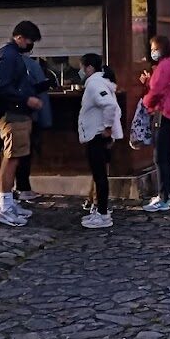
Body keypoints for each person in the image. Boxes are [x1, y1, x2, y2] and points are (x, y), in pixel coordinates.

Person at [0, 20, 42, 227]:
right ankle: (4, 206)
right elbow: (2, 87)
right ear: (19, 37)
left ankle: (9, 202)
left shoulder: (12, 55)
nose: (30, 45)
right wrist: (26, 99)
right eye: (29, 40)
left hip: (18, 114)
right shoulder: (8, 55)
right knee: (11, 160)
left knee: (15, 158)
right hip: (13, 115)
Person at [77, 53, 122, 229]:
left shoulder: (95, 84)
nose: (81, 71)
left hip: (97, 135)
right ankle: (100, 210)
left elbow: (109, 105)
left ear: (89, 68)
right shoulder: (101, 82)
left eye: (82, 68)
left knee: (99, 175)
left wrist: (108, 127)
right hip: (98, 133)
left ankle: (103, 214)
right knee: (100, 175)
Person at [141, 34, 170, 212]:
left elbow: (156, 91)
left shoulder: (164, 66)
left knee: (160, 156)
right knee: (165, 156)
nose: (153, 52)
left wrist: (145, 102)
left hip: (165, 112)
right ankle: (168, 195)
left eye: (155, 49)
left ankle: (164, 196)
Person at [15, 50, 55, 202]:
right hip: (28, 115)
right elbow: (41, 94)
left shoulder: (0, 64)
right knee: (25, 153)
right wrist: (46, 120)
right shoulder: (32, 65)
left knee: (10, 155)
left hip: (4, 117)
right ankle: (23, 187)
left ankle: (11, 190)